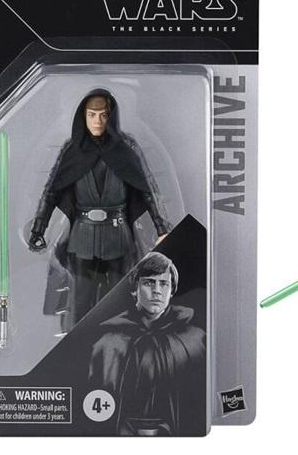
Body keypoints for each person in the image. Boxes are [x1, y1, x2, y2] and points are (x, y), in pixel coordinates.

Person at [28, 88, 169, 331]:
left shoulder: (126, 148)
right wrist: (39, 229)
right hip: (82, 239)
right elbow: (52, 191)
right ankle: (76, 346)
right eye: (92, 115)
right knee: (80, 303)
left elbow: (147, 190)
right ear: (83, 116)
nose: (97, 121)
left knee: (120, 301)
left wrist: (162, 228)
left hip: (118, 238)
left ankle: (120, 345)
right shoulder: (73, 150)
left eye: (103, 115)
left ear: (111, 116)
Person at [88, 252, 206, 436]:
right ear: (135, 288)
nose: (157, 290)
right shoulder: (109, 342)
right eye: (149, 282)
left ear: (172, 290)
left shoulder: (195, 339)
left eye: (164, 283)